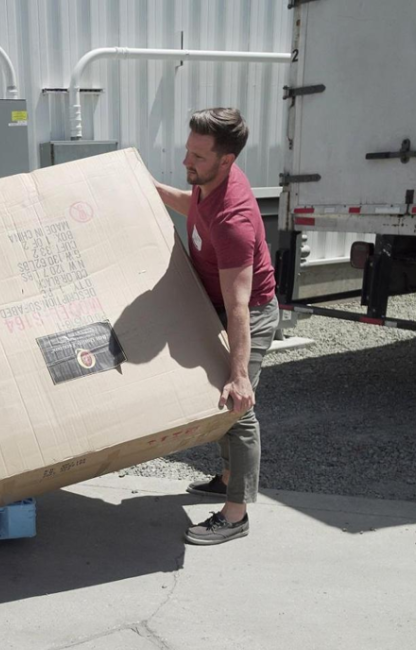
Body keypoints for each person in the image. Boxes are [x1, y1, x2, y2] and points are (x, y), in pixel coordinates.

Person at [151, 108, 279, 546]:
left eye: (199, 157)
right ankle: (227, 478)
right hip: (219, 307)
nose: (188, 162)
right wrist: (152, 191)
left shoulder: (235, 220)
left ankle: (236, 514)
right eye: (188, 150)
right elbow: (194, 207)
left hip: (248, 314)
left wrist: (240, 374)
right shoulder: (208, 184)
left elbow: (240, 304)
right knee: (220, 402)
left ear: (226, 161)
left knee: (237, 408)